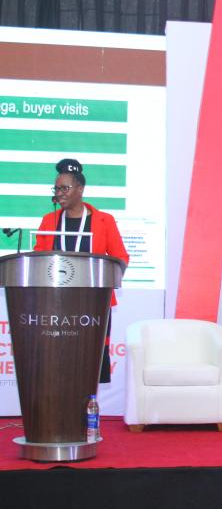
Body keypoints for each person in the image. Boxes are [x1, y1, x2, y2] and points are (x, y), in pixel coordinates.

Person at [34, 158, 129, 384]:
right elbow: (38, 257)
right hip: (55, 304)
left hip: (93, 304)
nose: (59, 194)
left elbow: (120, 258)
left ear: (80, 189)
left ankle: (87, 406)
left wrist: (107, 278)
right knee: (57, 364)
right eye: (56, 189)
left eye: (64, 188)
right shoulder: (49, 221)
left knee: (88, 365)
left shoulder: (104, 221)